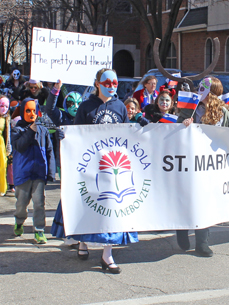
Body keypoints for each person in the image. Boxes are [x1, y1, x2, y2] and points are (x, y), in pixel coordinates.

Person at [70, 68, 138, 274]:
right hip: (90, 164)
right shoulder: (86, 106)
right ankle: (83, 240)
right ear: (98, 83)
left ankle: (107, 254)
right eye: (107, 82)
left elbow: (126, 133)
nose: (111, 86)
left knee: (111, 206)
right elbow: (77, 133)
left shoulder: (120, 106)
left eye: (115, 83)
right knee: (88, 204)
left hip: (112, 165)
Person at [177, 77, 229, 256]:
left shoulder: (223, 112)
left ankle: (202, 242)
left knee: (205, 202)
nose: (199, 91)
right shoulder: (191, 109)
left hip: (211, 166)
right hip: (190, 163)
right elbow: (174, 129)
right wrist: (183, 124)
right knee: (188, 199)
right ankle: (182, 230)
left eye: (204, 89)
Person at [11, 98, 56, 244]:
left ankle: (39, 230)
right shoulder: (17, 130)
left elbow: (49, 151)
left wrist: (50, 172)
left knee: (39, 203)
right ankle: (19, 220)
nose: (31, 114)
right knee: (22, 203)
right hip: (23, 173)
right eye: (28, 111)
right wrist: (30, 132)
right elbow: (20, 146)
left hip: (39, 172)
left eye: (34, 111)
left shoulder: (43, 130)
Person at [46, 83, 81, 245]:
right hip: (65, 164)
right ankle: (67, 231)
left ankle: (78, 231)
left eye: (78, 103)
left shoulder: (84, 118)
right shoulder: (62, 117)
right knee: (68, 195)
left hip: (83, 163)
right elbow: (50, 110)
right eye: (71, 103)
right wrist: (55, 90)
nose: (75, 106)